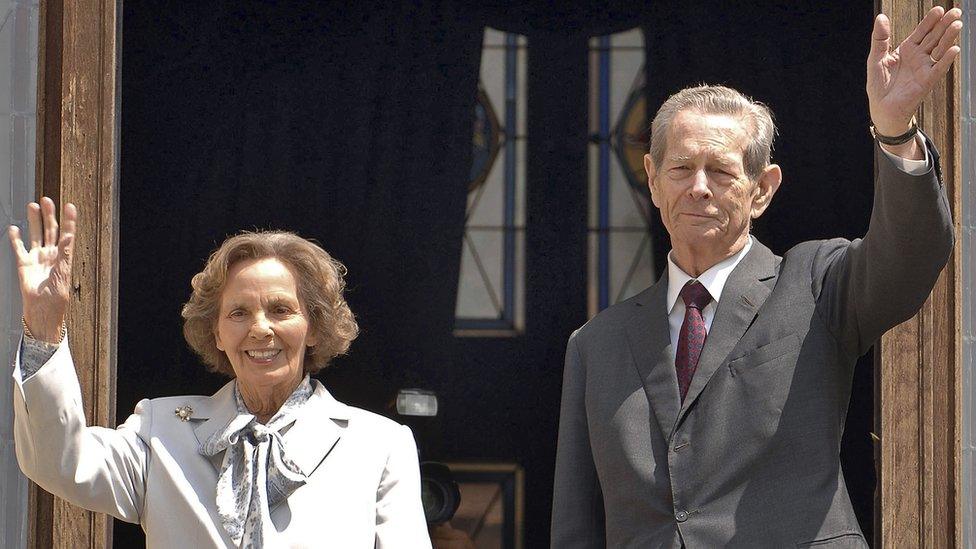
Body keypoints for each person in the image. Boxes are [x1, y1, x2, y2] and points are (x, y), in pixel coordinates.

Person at [551, 7, 960, 548]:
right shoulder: (596, 345)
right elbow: (576, 527)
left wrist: (894, 132)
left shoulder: (815, 286)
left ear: (762, 189)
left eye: (721, 171)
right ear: (652, 180)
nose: (699, 187)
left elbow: (910, 256)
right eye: (680, 169)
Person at [8, 205, 432, 548]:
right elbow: (59, 461)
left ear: (315, 328)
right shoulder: (163, 433)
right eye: (239, 313)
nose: (260, 328)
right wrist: (44, 331)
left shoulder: (379, 445)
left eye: (281, 310)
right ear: (217, 332)